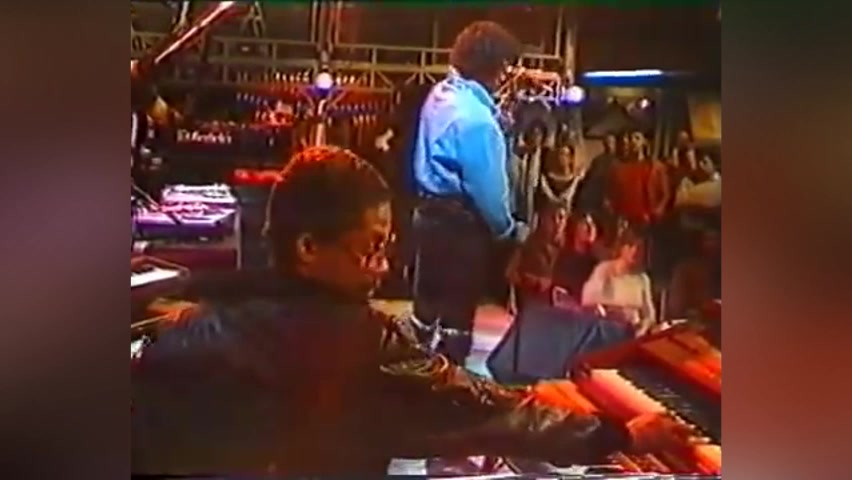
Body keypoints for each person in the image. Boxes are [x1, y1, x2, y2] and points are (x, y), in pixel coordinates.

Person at [131, 145, 697, 476]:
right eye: (371, 247)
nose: (382, 267)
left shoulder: (189, 315)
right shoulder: (361, 341)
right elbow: (487, 410)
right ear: (308, 248)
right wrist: (621, 434)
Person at [410, 21, 529, 365]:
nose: (507, 76)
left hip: (427, 217)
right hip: (460, 228)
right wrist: (509, 230)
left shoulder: (440, 95)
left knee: (425, 310)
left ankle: (411, 376)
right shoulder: (477, 120)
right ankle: (448, 386)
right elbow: (489, 193)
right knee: (455, 322)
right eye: (506, 66)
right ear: (494, 66)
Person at [582, 229, 657, 336]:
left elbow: (649, 315)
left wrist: (642, 329)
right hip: (607, 331)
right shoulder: (603, 270)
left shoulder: (642, 279)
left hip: (635, 334)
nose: (635, 251)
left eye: (640, 248)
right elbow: (588, 301)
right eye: (630, 246)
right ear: (622, 248)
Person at [505, 204, 568, 314]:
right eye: (552, 217)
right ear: (542, 220)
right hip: (533, 308)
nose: (557, 222)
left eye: (561, 217)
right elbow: (510, 274)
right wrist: (533, 281)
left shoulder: (570, 249)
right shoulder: (527, 245)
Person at [667, 227, 722, 320]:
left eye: (717, 239)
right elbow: (677, 309)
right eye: (709, 239)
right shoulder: (685, 270)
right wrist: (703, 310)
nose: (713, 244)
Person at [552, 215, 600, 309]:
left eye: (592, 224)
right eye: (585, 224)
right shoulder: (564, 260)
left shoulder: (594, 262)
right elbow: (559, 294)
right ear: (574, 229)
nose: (590, 228)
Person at [574, 133, 618, 219]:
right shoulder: (598, 160)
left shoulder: (617, 160)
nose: (608, 144)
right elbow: (590, 175)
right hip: (595, 192)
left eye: (611, 142)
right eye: (606, 142)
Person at [537, 143, 585, 215]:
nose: (563, 157)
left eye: (566, 155)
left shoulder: (578, 180)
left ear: (571, 158)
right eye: (561, 154)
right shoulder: (548, 179)